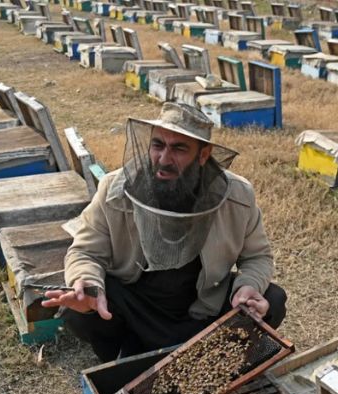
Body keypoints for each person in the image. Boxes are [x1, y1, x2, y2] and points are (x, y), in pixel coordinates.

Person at [43, 102, 286, 362]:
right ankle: (127, 354)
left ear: (204, 155)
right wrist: (87, 283)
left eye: (179, 149)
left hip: (203, 307)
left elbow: (257, 257)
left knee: (273, 298)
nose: (164, 159)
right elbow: (85, 251)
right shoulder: (114, 188)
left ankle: (212, 355)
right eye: (158, 145)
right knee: (80, 309)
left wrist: (248, 286)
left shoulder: (238, 195)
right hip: (138, 307)